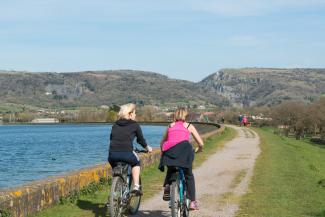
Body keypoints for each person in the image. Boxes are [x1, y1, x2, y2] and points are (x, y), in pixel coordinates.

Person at [159, 107, 204, 211]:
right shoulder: (189, 126)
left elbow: (162, 143)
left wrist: (164, 151)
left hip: (170, 154)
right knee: (189, 175)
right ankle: (192, 202)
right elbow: (201, 143)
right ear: (186, 116)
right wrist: (199, 149)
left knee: (171, 168)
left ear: (175, 116)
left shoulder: (170, 125)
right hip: (184, 153)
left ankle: (167, 186)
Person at [108, 103, 153, 194]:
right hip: (127, 153)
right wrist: (148, 148)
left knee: (117, 168)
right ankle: (136, 186)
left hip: (112, 154)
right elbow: (140, 140)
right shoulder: (135, 125)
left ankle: (116, 188)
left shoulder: (115, 125)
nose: (135, 115)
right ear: (130, 114)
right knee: (136, 162)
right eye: (135, 113)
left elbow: (112, 138)